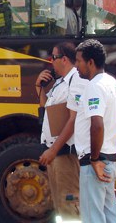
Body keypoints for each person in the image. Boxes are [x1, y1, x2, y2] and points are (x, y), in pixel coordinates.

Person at [36, 42, 88, 220]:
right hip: (56, 153)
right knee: (59, 203)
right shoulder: (60, 82)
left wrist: (53, 150)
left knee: (69, 201)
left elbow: (73, 121)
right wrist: (40, 87)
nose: (51, 62)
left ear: (64, 59)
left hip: (65, 153)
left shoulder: (77, 81)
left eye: (53, 57)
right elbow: (46, 108)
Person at [74, 39, 116, 223]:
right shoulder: (112, 83)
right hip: (110, 158)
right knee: (110, 214)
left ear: (90, 63)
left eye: (78, 61)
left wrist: (94, 159)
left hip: (96, 162)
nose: (76, 66)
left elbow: (97, 124)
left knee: (93, 217)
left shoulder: (94, 87)